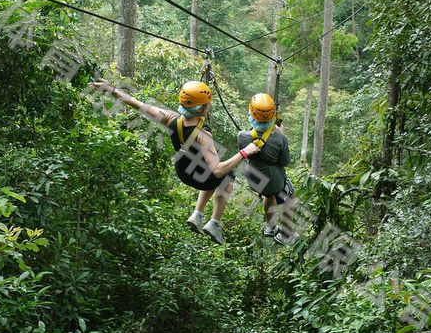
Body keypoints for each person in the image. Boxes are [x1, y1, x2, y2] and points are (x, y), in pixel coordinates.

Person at [88, 80, 261, 244]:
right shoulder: (203, 136)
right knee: (227, 176)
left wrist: (110, 89)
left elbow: (138, 104)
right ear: (201, 109)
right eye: (208, 102)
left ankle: (197, 214)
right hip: (200, 175)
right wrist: (245, 152)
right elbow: (216, 170)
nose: (210, 104)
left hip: (183, 170)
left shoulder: (171, 119)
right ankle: (214, 223)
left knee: (214, 173)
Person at [238, 93, 296, 245]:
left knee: (268, 195)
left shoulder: (242, 136)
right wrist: (280, 135)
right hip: (271, 179)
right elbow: (284, 162)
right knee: (290, 196)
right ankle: (285, 234)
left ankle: (270, 227)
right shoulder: (279, 138)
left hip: (253, 177)